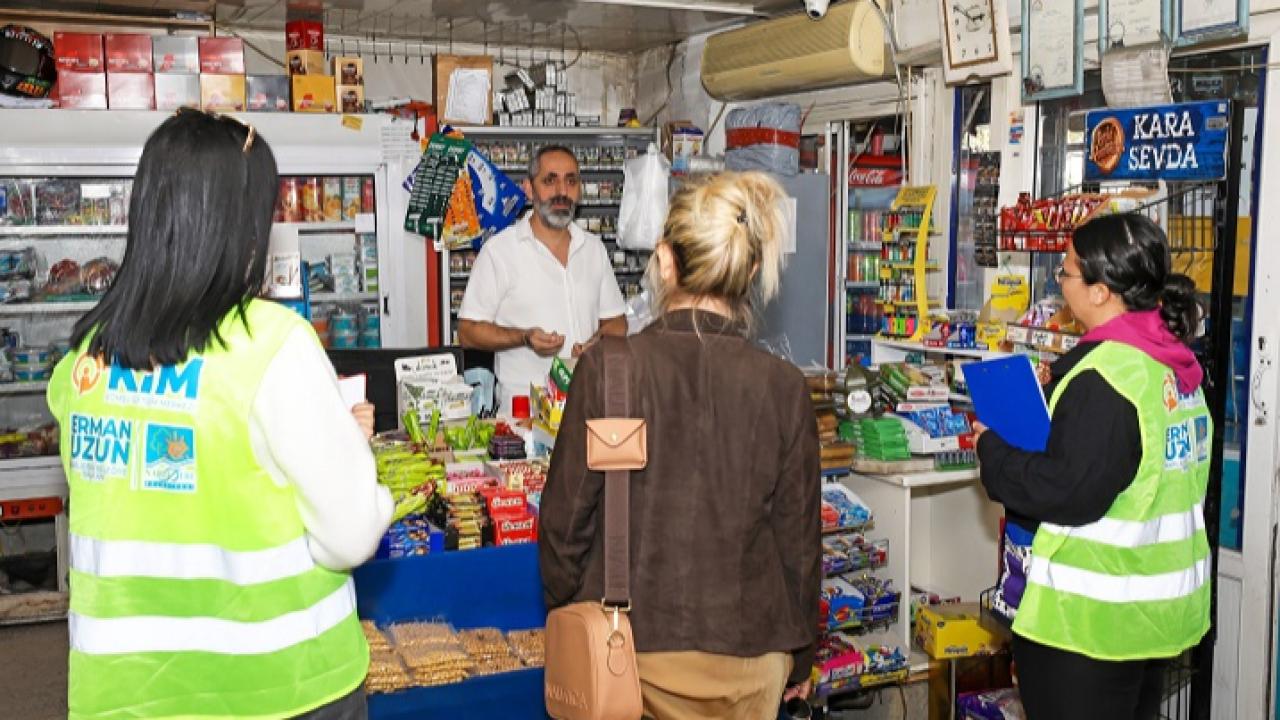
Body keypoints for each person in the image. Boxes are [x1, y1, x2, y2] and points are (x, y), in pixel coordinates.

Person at [46, 110, 394, 720]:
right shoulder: (270, 342)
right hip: (277, 685)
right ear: (240, 225)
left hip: (128, 690)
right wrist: (352, 452)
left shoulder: (86, 354)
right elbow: (352, 533)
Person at [539, 171, 821, 719]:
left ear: (665, 262)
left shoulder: (609, 369)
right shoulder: (784, 386)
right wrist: (802, 657)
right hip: (751, 657)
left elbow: (564, 525)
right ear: (752, 270)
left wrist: (571, 613)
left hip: (633, 653)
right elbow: (800, 544)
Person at [973, 213, 1211, 720]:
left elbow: (1067, 491)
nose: (1060, 285)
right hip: (1150, 621)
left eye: (1066, 274)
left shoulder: (1106, 376)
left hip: (1088, 630)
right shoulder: (1172, 365)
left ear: (1102, 292)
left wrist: (991, 450)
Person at [457, 144, 627, 415]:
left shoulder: (593, 249)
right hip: (524, 415)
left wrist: (597, 341)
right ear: (528, 188)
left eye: (571, 181)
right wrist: (524, 337)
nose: (562, 191)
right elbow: (467, 332)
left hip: (588, 404)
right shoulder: (500, 251)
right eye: (550, 180)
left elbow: (617, 322)